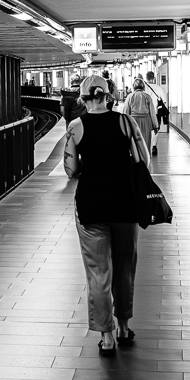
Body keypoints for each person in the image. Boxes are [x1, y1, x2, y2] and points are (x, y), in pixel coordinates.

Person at [63, 74, 146, 357]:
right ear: (108, 96)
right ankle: (124, 328)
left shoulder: (76, 126)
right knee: (125, 266)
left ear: (83, 99)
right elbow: (142, 160)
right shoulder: (126, 122)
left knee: (98, 273)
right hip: (124, 205)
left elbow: (72, 170)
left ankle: (107, 337)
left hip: (91, 206)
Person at [123, 74, 159, 157]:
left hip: (133, 120)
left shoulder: (130, 96)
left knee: (134, 138)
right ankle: (145, 155)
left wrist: (124, 124)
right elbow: (152, 112)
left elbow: (125, 111)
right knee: (146, 138)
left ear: (133, 86)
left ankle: (134, 154)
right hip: (146, 120)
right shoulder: (147, 96)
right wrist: (155, 125)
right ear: (143, 86)